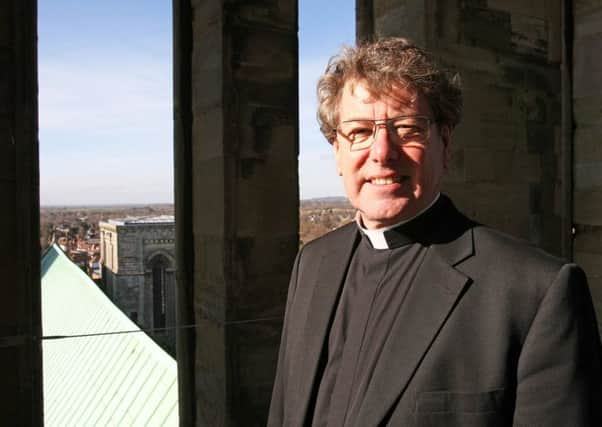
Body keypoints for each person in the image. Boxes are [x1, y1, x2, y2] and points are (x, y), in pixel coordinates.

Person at [267, 37, 602, 426]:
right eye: (358, 132)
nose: (381, 152)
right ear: (337, 151)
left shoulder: (534, 293)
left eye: (407, 128)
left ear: (445, 143)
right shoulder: (312, 264)